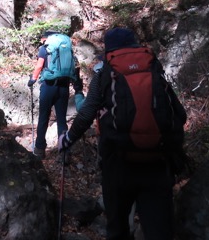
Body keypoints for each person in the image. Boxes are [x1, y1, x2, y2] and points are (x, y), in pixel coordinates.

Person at [57, 27, 187, 240]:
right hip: (157, 162)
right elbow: (179, 114)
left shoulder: (106, 72)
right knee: (159, 230)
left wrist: (68, 139)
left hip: (118, 162)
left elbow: (87, 111)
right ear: (134, 43)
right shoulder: (153, 67)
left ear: (109, 49)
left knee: (117, 226)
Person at [27, 30, 80, 158]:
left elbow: (39, 66)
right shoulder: (66, 49)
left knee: (44, 117)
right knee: (61, 119)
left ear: (45, 38)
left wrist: (33, 79)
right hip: (64, 86)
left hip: (48, 86)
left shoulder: (44, 49)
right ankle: (64, 151)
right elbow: (75, 67)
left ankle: (39, 149)